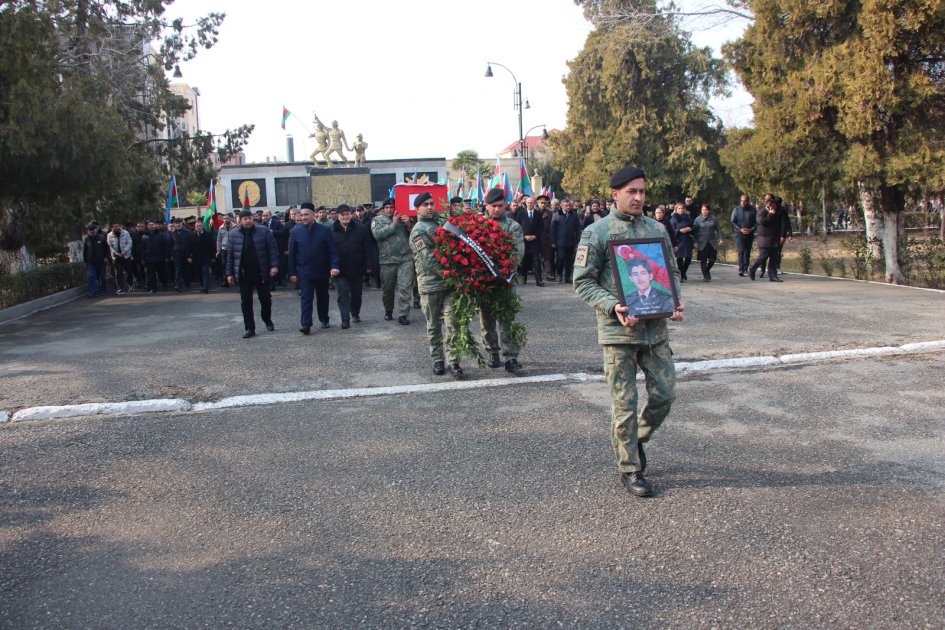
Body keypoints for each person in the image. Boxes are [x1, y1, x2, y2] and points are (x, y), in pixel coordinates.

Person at [573, 166, 684, 498]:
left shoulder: (657, 229)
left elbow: (672, 271)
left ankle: (637, 439)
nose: (638, 198)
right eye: (631, 192)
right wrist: (612, 305)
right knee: (624, 403)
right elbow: (582, 281)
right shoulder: (597, 233)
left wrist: (674, 300)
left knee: (665, 395)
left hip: (655, 331)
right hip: (618, 334)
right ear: (615, 194)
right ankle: (630, 467)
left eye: (642, 192)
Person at [409, 192, 463, 377]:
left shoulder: (443, 224)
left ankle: (454, 361)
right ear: (417, 209)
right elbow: (428, 260)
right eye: (425, 204)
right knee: (433, 326)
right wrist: (452, 274)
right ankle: (438, 360)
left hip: (449, 286)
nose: (430, 207)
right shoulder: (418, 230)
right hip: (430, 285)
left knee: (453, 323)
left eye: (432, 203)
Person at [480, 187, 526, 372]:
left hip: (505, 281)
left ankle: (511, 357)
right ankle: (492, 352)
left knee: (507, 319)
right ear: (487, 206)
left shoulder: (513, 226)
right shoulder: (478, 226)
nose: (497, 209)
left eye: (500, 206)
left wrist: (505, 274)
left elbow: (517, 253)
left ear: (505, 205)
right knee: (487, 320)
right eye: (493, 206)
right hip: (484, 283)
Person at [226, 209, 279, 338]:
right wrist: (229, 273)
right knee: (246, 302)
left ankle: (267, 319)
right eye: (245, 219)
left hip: (261, 271)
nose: (248, 221)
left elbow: (273, 249)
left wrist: (274, 266)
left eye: (250, 218)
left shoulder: (263, 231)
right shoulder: (233, 235)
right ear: (240, 221)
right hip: (244, 273)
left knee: (266, 299)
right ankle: (249, 328)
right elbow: (230, 256)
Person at [288, 202, 340, 334]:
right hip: (304, 272)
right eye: (302, 215)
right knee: (306, 297)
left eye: (307, 215)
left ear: (313, 215)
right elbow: (292, 255)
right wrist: (292, 273)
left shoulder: (324, 230)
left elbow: (332, 251)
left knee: (323, 297)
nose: (304, 217)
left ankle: (324, 319)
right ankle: (306, 324)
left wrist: (334, 266)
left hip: (321, 271)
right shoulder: (295, 232)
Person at [371, 197, 413, 324]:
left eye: (392, 207)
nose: (389, 210)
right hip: (387, 260)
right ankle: (388, 310)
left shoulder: (403, 218)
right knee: (388, 289)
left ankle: (403, 314)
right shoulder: (377, 220)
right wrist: (393, 224)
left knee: (405, 287)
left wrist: (409, 224)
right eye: (387, 208)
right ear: (383, 209)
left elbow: (415, 234)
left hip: (405, 259)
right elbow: (377, 235)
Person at [331, 204, 370, 328]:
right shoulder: (331, 230)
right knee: (342, 294)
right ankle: (345, 319)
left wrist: (369, 265)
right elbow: (328, 250)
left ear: (351, 214)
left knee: (356, 294)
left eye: (347, 214)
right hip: (340, 269)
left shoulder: (360, 228)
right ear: (338, 216)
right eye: (342, 214)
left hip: (357, 268)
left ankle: (355, 313)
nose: (345, 216)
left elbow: (367, 248)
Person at [749, 196, 785, 282]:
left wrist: (782, 235)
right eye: (773, 206)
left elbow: (780, 224)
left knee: (774, 258)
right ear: (769, 205)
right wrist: (770, 214)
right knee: (763, 257)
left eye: (776, 206)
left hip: (774, 238)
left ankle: (773, 275)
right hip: (764, 239)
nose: (775, 208)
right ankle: (753, 269)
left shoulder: (777, 212)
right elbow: (763, 222)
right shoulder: (761, 212)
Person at [515, 195, 545, 286]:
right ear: (525, 203)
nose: (529, 204)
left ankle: (538, 280)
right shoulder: (520, 213)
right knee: (524, 260)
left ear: (534, 203)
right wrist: (524, 236)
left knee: (536, 261)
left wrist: (535, 236)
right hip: (524, 241)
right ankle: (523, 278)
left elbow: (541, 227)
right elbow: (517, 226)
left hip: (535, 241)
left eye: (531, 202)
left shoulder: (538, 214)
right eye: (528, 203)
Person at [550, 198, 581, 283]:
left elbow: (578, 228)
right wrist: (553, 241)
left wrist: (579, 239)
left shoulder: (574, 215)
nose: (568, 207)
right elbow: (552, 229)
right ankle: (559, 274)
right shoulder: (556, 215)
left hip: (571, 241)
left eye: (569, 205)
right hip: (560, 242)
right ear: (561, 206)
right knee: (560, 258)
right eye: (566, 205)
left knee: (569, 260)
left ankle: (567, 277)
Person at [693, 204, 723, 281]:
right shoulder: (697, 220)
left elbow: (718, 229)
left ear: (709, 210)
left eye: (706, 210)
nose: (704, 211)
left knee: (713, 259)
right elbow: (694, 232)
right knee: (703, 260)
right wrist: (695, 242)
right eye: (703, 210)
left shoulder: (713, 219)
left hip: (712, 242)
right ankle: (705, 276)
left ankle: (706, 270)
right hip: (702, 242)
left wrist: (721, 238)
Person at [731, 194, 757, 277]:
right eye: (742, 201)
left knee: (747, 251)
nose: (743, 203)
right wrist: (740, 229)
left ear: (748, 201)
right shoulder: (736, 209)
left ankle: (746, 268)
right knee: (741, 250)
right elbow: (733, 221)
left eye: (745, 201)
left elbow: (757, 222)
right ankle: (741, 268)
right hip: (739, 233)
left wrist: (751, 230)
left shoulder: (753, 210)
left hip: (749, 233)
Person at [82, 222, 109, 296]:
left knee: (102, 277)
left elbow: (106, 248)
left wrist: (106, 257)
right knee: (91, 276)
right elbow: (85, 251)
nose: (92, 231)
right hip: (91, 262)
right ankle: (92, 291)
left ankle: (103, 290)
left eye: (93, 229)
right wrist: (85, 260)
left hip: (101, 261)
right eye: (90, 230)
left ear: (96, 229)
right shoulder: (87, 239)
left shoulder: (102, 237)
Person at [669, 202, 694, 282]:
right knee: (679, 258)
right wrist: (680, 230)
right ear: (676, 209)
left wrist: (690, 229)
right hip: (678, 240)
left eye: (682, 208)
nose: (680, 210)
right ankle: (681, 275)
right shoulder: (673, 218)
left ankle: (683, 273)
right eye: (679, 208)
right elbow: (671, 230)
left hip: (687, 239)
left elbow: (692, 226)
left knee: (688, 258)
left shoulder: (687, 217)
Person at [106, 222, 133, 294]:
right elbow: (109, 246)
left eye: (117, 226)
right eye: (114, 226)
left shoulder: (125, 233)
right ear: (112, 227)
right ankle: (121, 288)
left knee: (129, 271)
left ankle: (130, 284)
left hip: (126, 255)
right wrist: (115, 253)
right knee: (118, 273)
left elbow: (129, 243)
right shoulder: (109, 235)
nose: (116, 227)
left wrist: (124, 252)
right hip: (116, 257)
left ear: (120, 226)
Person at [191, 220, 215, 293]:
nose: (198, 227)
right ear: (195, 227)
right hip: (196, 257)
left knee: (205, 272)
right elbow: (189, 246)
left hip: (206, 256)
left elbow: (212, 246)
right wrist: (188, 256)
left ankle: (206, 287)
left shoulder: (208, 234)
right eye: (197, 226)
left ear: (202, 226)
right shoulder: (192, 235)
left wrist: (213, 257)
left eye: (200, 226)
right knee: (198, 273)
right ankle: (202, 285)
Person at [170, 218, 193, 292]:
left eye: (179, 223)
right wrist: (171, 255)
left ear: (182, 223)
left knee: (186, 270)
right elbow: (171, 244)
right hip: (176, 254)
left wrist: (189, 255)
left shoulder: (188, 232)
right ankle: (178, 285)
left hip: (186, 254)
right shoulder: (172, 233)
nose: (177, 224)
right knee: (178, 270)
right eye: (176, 223)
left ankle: (187, 283)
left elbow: (190, 244)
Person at [216, 214, 235, 287]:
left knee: (233, 264)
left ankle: (234, 280)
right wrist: (218, 250)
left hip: (233, 249)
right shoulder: (221, 228)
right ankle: (225, 281)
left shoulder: (235, 227)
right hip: (224, 249)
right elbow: (218, 240)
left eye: (227, 218)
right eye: (224, 218)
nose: (225, 219)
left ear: (230, 219)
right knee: (224, 265)